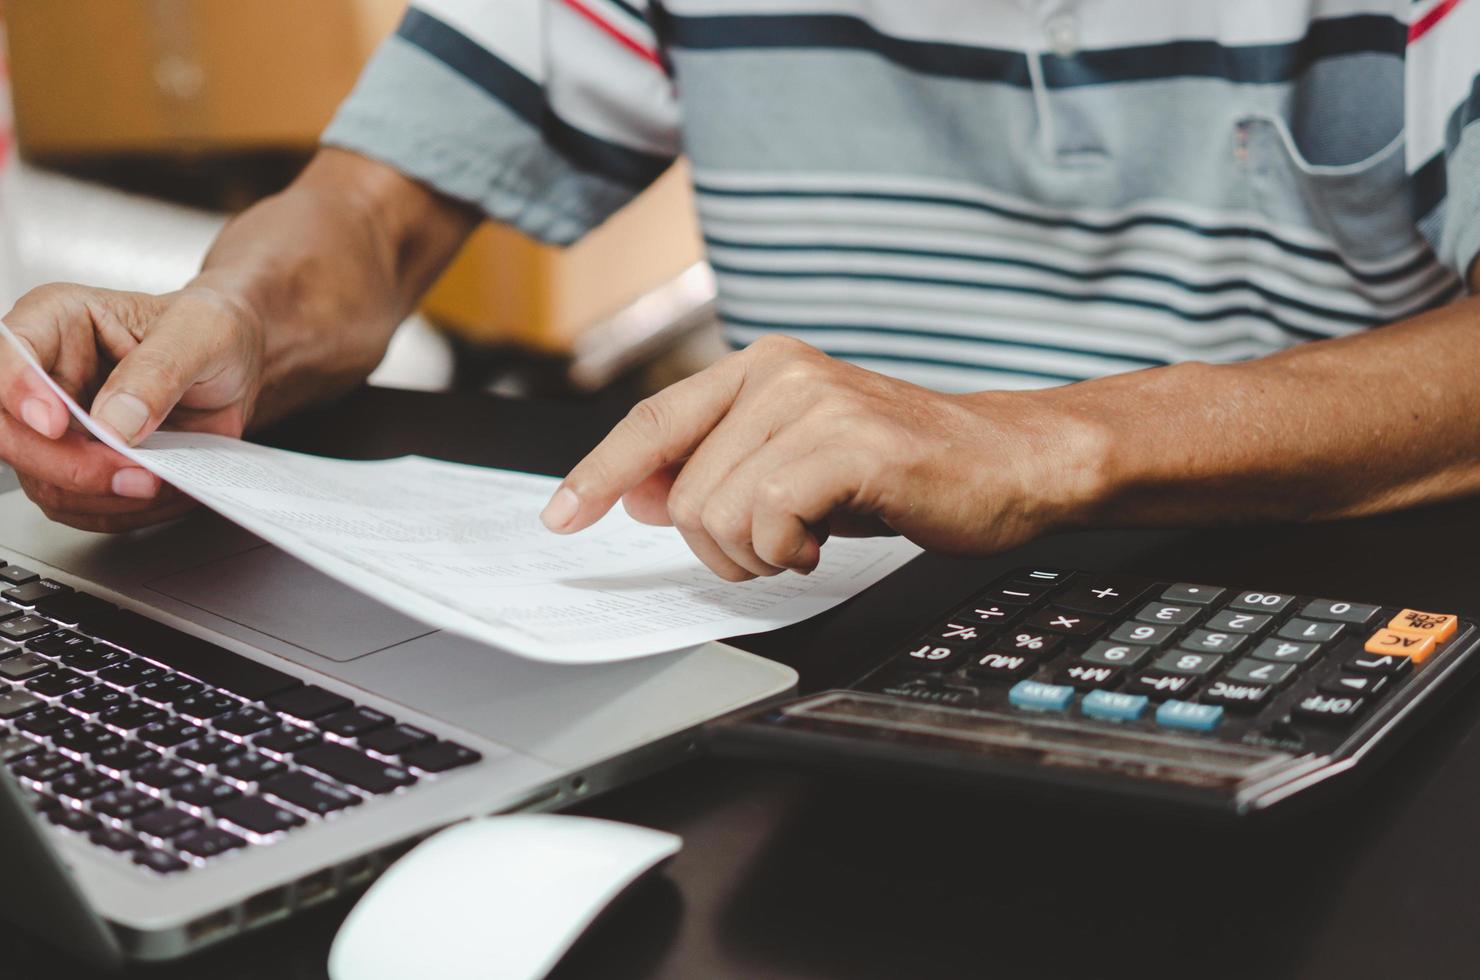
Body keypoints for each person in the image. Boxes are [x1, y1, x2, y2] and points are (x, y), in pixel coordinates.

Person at [0, 1, 1477, 583]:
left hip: (1318, 612)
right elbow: (375, 206)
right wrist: (233, 317)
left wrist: (1051, 439)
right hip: (804, 619)